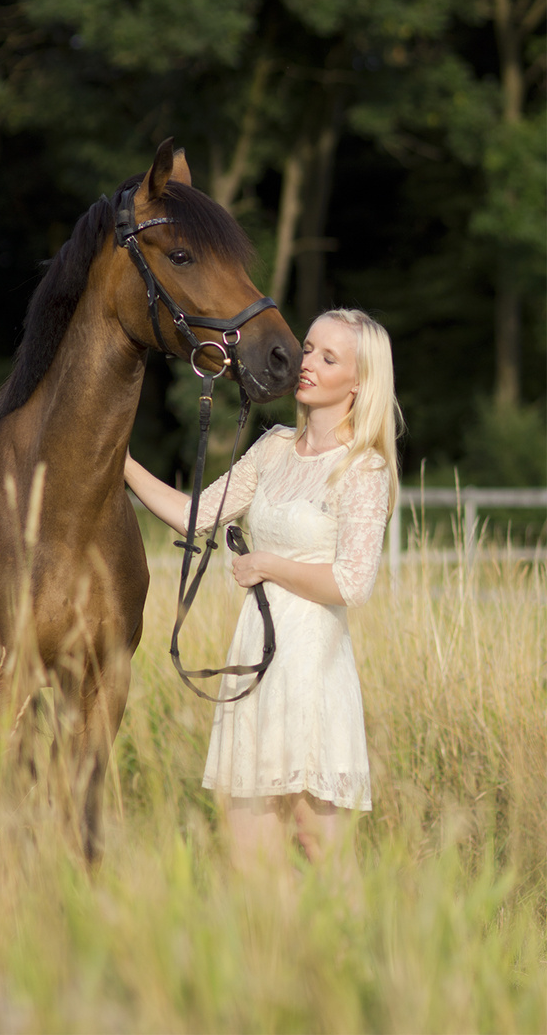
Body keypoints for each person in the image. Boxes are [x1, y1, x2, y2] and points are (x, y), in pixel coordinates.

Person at [125, 308, 403, 887]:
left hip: (312, 669)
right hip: (255, 661)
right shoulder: (274, 449)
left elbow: (354, 582)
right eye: (308, 349)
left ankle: (361, 973)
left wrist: (268, 565)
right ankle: (275, 974)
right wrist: (117, 459)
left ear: (360, 383)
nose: (307, 363)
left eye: (329, 358)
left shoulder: (363, 468)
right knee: (250, 859)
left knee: (321, 851)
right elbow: (193, 512)